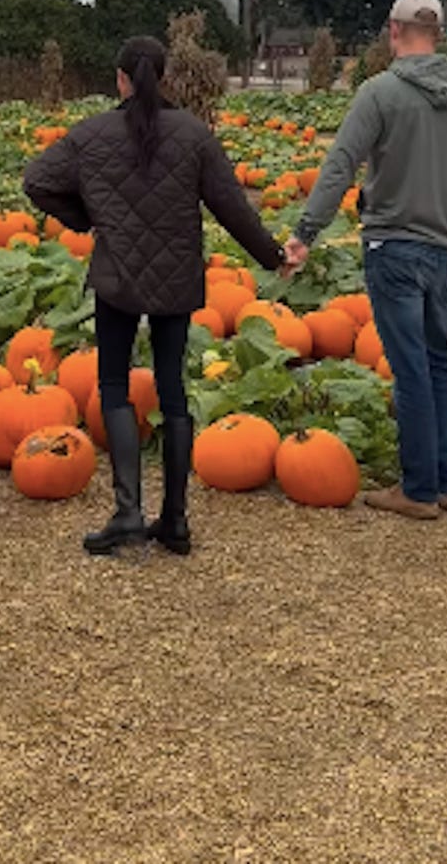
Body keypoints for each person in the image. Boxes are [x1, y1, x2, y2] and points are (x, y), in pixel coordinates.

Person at [23, 35, 293, 558]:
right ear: (163, 78)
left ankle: (127, 513)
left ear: (121, 79)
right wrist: (272, 255)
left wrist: (87, 219)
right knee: (172, 391)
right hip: (176, 277)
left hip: (118, 276)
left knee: (114, 385)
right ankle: (175, 520)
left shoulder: (92, 134)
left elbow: (37, 180)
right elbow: (232, 208)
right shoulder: (193, 135)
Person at [286, 0, 447, 520]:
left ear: (392, 31)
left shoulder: (379, 93)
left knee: (410, 370)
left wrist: (306, 231)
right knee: (438, 361)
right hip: (444, 249)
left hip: (393, 247)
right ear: (440, 34)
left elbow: (340, 165)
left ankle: (419, 490)